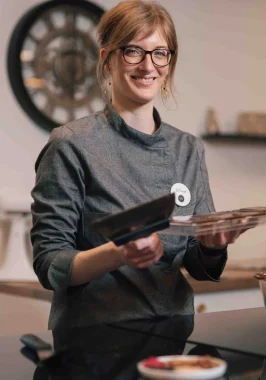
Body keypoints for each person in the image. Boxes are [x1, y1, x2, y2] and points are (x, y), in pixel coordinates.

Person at [31, 0, 245, 330]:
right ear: (107, 59)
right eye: (133, 51)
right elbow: (49, 264)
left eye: (160, 53)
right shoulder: (71, 144)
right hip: (91, 345)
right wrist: (117, 253)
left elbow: (198, 265)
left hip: (172, 339)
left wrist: (212, 246)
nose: (148, 66)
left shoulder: (187, 148)